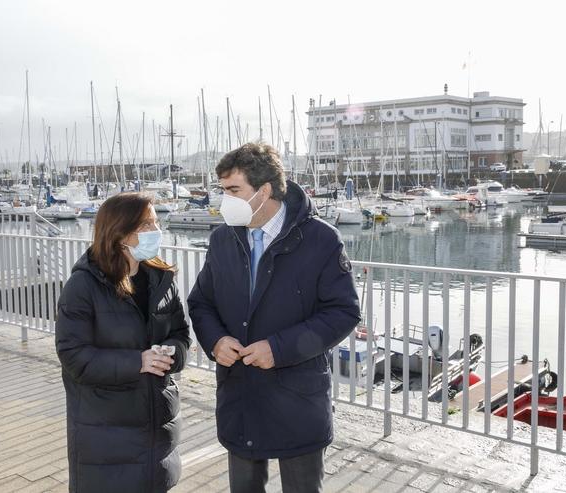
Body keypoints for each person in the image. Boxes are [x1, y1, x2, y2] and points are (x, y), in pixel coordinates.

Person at [188, 143, 361, 493]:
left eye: (233, 191)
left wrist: (278, 349)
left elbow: (343, 311)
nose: (225, 200)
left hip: (297, 397)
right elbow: (201, 302)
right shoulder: (223, 239)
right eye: (222, 191)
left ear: (264, 190)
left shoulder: (321, 240)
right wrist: (216, 340)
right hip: (240, 397)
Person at [55, 193, 190, 493]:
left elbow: (181, 334)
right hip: (106, 434)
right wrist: (137, 362)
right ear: (120, 232)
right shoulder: (83, 286)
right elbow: (73, 356)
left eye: (156, 221)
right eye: (147, 223)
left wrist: (171, 354)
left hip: (157, 430)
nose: (157, 229)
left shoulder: (161, 278)